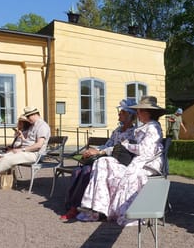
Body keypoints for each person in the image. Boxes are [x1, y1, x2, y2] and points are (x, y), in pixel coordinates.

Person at [77, 96, 165, 225]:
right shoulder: (146, 127)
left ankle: (98, 208)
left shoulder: (152, 127)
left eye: (139, 111)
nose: (138, 114)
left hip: (147, 164)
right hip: (139, 161)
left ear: (147, 112)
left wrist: (126, 145)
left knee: (105, 164)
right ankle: (95, 206)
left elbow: (145, 151)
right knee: (103, 162)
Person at [60, 98, 137, 220]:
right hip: (104, 159)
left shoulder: (133, 133)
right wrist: (92, 150)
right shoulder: (117, 131)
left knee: (86, 171)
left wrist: (99, 151)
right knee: (77, 171)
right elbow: (107, 145)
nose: (119, 114)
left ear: (130, 115)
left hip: (116, 163)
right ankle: (71, 205)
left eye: (122, 112)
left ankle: (76, 207)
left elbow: (120, 150)